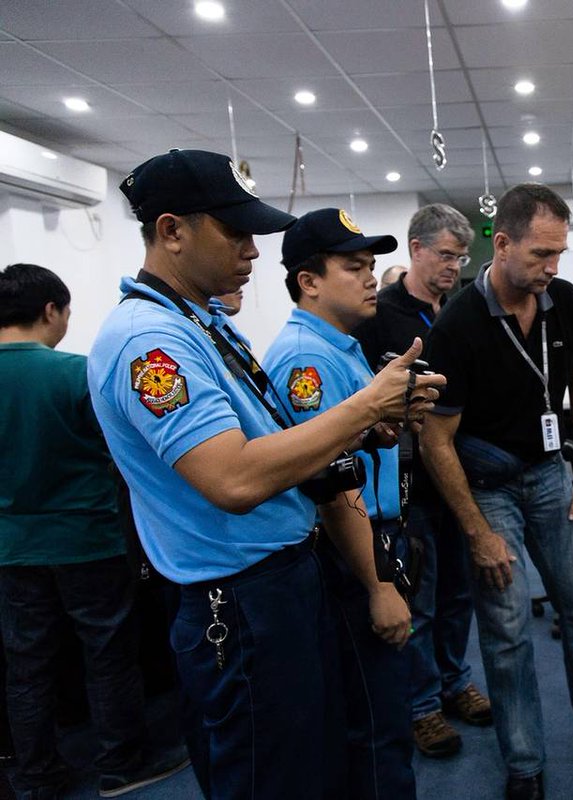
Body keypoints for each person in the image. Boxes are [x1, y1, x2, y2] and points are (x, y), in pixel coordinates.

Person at [87, 149, 443, 799]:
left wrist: (366, 428)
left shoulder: (203, 325)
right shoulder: (150, 342)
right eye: (235, 232)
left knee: (310, 764)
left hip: (280, 581)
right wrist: (366, 406)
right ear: (171, 231)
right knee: (271, 777)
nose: (252, 250)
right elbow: (234, 480)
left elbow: (277, 447)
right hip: (240, 596)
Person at [420, 184, 573, 800]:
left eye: (559, 253)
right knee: (507, 630)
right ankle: (524, 763)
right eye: (541, 254)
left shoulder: (564, 301)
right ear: (502, 244)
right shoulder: (459, 324)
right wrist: (477, 532)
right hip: (488, 488)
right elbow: (436, 439)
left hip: (552, 476)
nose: (553, 266)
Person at [0, 264, 189, 800]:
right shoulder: (75, 373)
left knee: (26, 666)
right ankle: (120, 765)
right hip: (87, 539)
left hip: (12, 548)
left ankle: (36, 776)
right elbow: (121, 452)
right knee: (108, 654)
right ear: (51, 311)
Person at [262, 207, 420, 799]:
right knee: (377, 724)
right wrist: (378, 586)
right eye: (353, 267)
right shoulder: (307, 359)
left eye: (371, 265)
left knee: (383, 711)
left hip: (374, 540)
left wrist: (382, 429)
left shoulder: (340, 346)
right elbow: (330, 484)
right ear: (309, 281)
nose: (371, 278)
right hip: (354, 550)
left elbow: (345, 446)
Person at [353, 204, 492, 760]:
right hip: (407, 480)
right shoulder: (379, 315)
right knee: (422, 598)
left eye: (461, 257)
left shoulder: (462, 311)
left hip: (458, 473)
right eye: (445, 255)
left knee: (460, 592)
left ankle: (456, 682)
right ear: (416, 249)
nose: (455, 267)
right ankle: (423, 705)